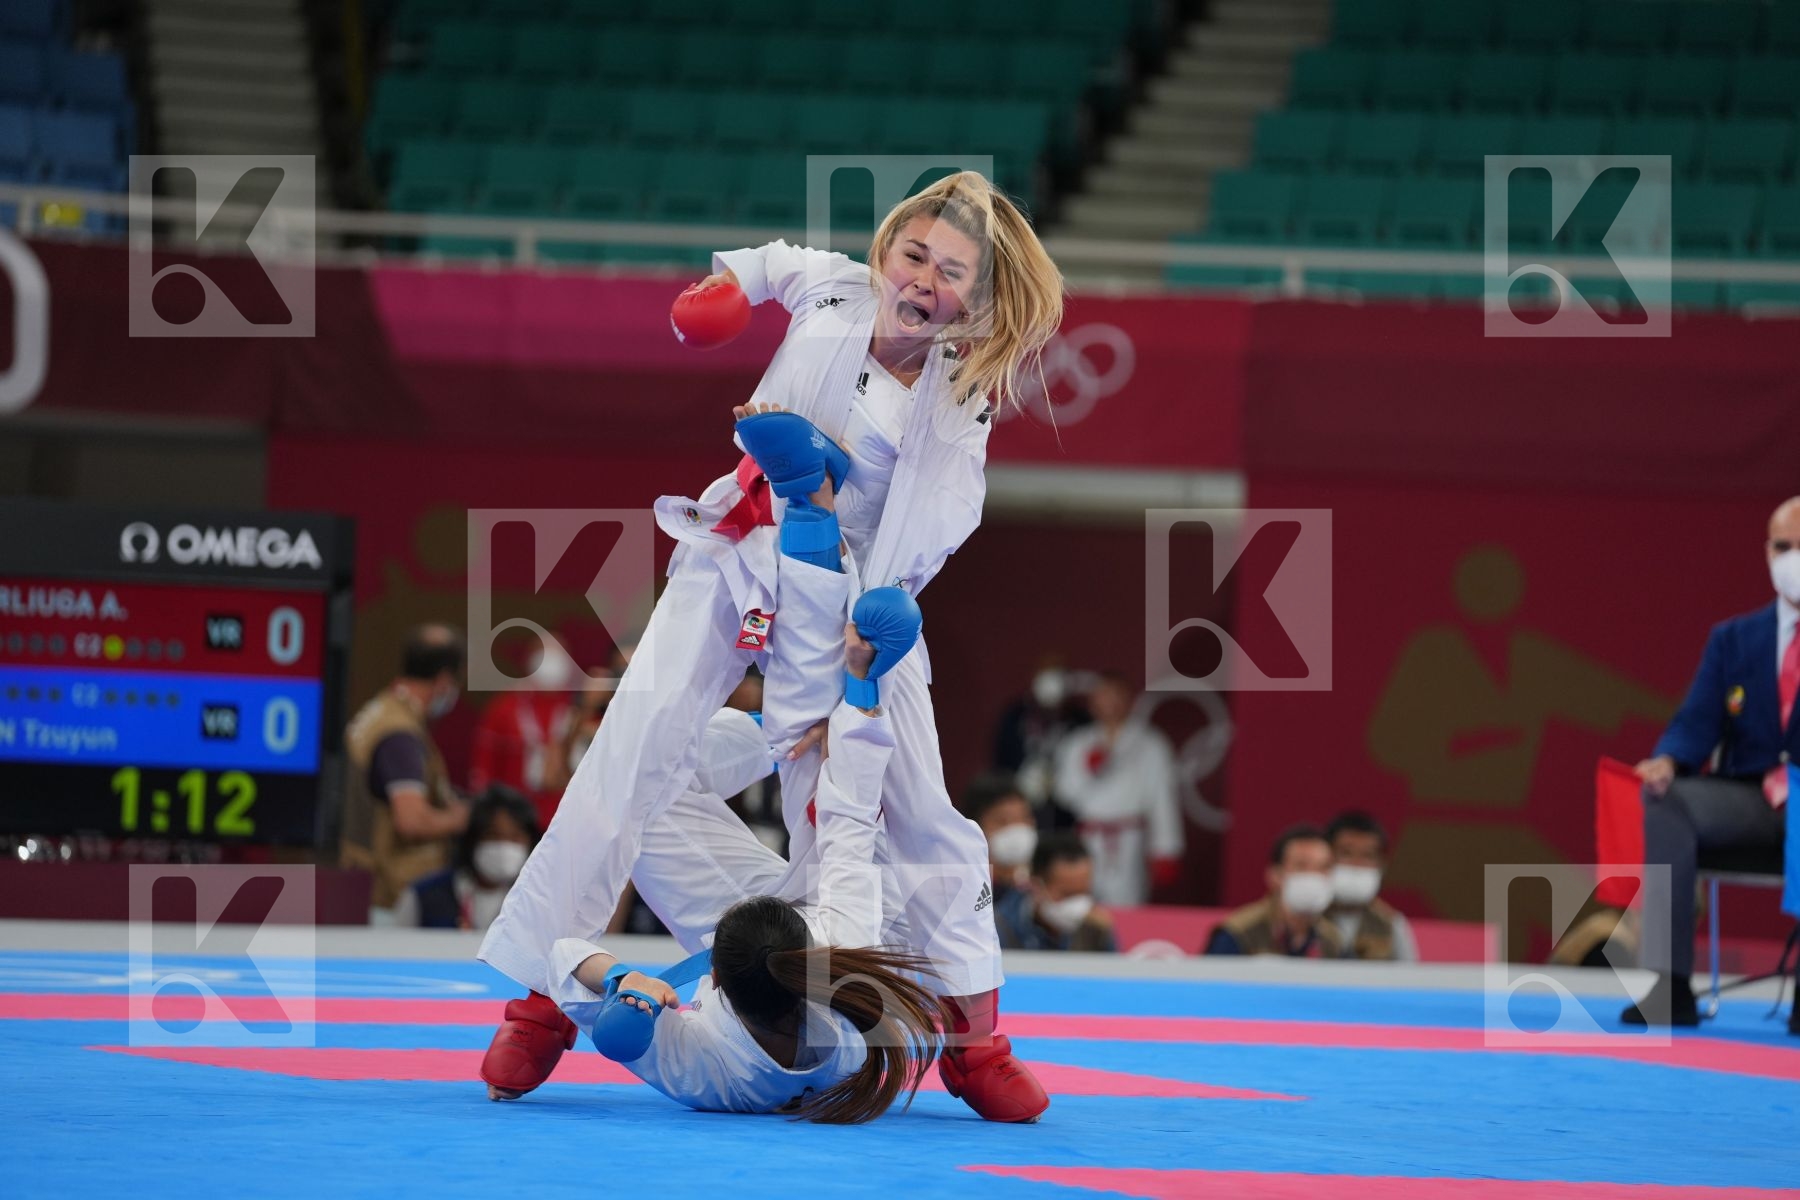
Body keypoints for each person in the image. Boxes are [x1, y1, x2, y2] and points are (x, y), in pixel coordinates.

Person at [478, 171, 1065, 1121]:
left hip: (859, 598)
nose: (922, 280)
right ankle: (542, 1005)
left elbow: (937, 526)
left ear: (978, 301)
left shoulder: (959, 402)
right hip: (739, 550)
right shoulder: (834, 286)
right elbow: (768, 263)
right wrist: (723, 292)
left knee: (921, 811)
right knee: (630, 751)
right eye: (913, 254)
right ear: (885, 249)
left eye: (951, 272)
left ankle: (975, 1042)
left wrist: (857, 661)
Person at [494, 469, 960, 1121]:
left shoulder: (701, 1065)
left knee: (637, 788)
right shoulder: (846, 956)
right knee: (896, 829)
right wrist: (856, 690)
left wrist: (622, 986)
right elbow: (850, 822)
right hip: (876, 929)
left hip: (802, 953)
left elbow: (565, 958)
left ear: (711, 979)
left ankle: (777, 725)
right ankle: (786, 724)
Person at [1624, 497, 1800, 1031]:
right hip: (1751, 799)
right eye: (1784, 547)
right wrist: (1668, 760)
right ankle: (1670, 984)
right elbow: (1696, 720)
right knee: (1667, 800)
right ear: (1767, 553)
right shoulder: (1734, 639)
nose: (1793, 559)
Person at [340, 624, 470, 912]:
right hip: (383, 896)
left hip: (360, 883)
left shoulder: (380, 710)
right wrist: (462, 819)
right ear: (444, 680)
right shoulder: (399, 735)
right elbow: (411, 820)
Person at [1052, 671, 1184, 906]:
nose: (1109, 703)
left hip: (1129, 837)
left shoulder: (1151, 743)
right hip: (1089, 836)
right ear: (1092, 702)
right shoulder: (1077, 742)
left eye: (1116, 696)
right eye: (1103, 696)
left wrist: (1165, 849)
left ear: (1129, 700)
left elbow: (1162, 799)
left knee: (1127, 903)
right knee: (1083, 903)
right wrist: (1091, 771)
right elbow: (1065, 793)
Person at [395, 785, 539, 932]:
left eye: (515, 838)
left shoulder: (537, 901)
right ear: (472, 840)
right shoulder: (423, 896)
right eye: (492, 835)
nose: (504, 847)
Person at [469, 645, 576, 830]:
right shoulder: (504, 707)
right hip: (515, 823)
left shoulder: (579, 708)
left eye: (558, 649)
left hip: (567, 821)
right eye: (544, 649)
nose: (551, 659)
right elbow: (483, 770)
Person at [1204, 825, 1344, 958]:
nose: (1313, 876)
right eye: (1301, 866)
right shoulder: (1239, 934)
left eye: (1323, 867)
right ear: (1275, 875)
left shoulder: (1333, 939)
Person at [994, 832, 1116, 953]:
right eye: (1068, 894)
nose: (1078, 905)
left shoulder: (1095, 929)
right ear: (1035, 886)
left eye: (1084, 893)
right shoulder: (1000, 929)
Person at [1324, 810, 1418, 962]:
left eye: (1368, 856)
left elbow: (1409, 975)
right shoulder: (1305, 919)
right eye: (1346, 853)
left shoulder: (1391, 925)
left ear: (1382, 865)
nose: (1356, 864)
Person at [960, 772, 1038, 894]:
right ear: (975, 827)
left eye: (1024, 818)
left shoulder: (1041, 885)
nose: (1017, 829)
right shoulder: (966, 888)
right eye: (1002, 821)